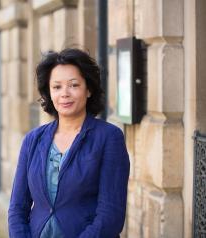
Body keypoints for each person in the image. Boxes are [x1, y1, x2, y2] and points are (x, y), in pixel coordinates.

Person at [8, 48, 130, 238]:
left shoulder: (108, 137)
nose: (64, 94)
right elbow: (17, 208)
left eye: (73, 85)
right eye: (56, 87)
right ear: (49, 92)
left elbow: (110, 214)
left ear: (88, 89)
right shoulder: (32, 140)